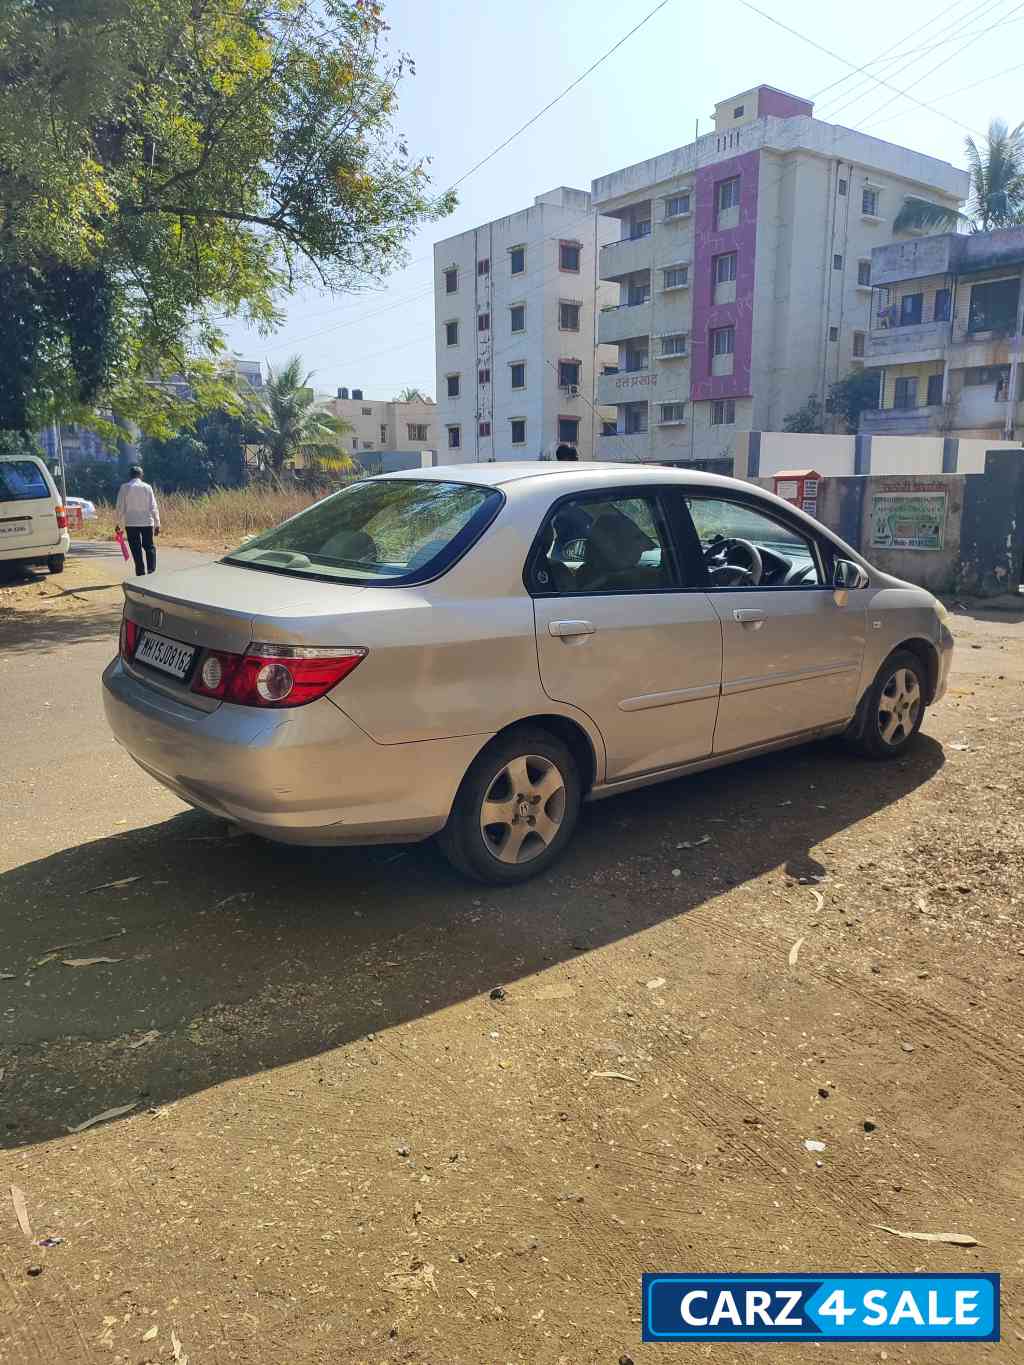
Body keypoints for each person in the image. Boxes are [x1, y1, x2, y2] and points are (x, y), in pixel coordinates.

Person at [115, 465, 161, 575]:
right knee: (149, 546)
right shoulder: (147, 487)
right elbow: (153, 506)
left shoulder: (124, 487)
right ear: (141, 475)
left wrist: (119, 524)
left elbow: (120, 507)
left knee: (136, 548)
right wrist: (157, 523)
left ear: (130, 475)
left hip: (131, 523)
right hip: (147, 522)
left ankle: (140, 573)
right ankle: (151, 570)